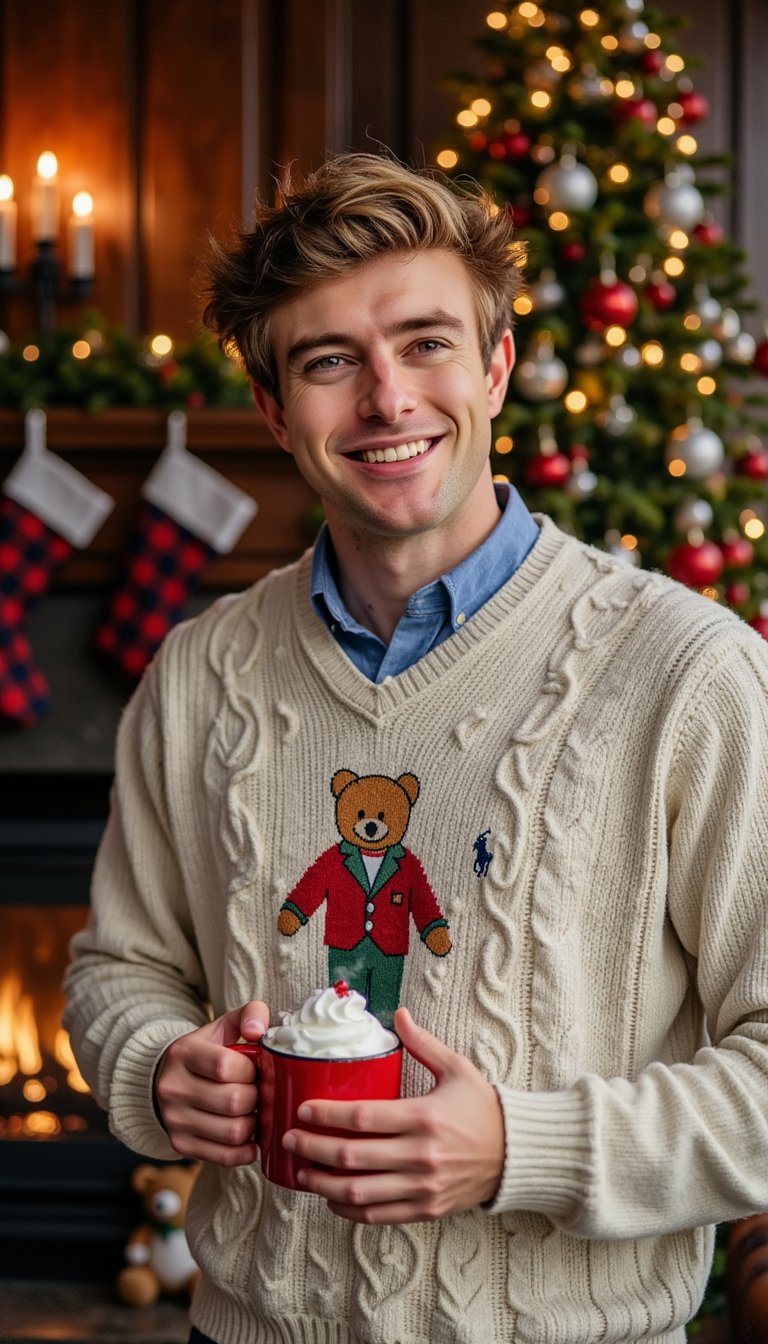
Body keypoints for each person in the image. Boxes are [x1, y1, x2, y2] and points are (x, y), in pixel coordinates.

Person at [64, 152, 768, 1344]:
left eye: (428, 343)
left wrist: (519, 1148)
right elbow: (114, 969)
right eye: (331, 362)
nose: (388, 400)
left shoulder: (691, 673)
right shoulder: (196, 674)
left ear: (496, 366)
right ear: (280, 412)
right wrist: (152, 1065)